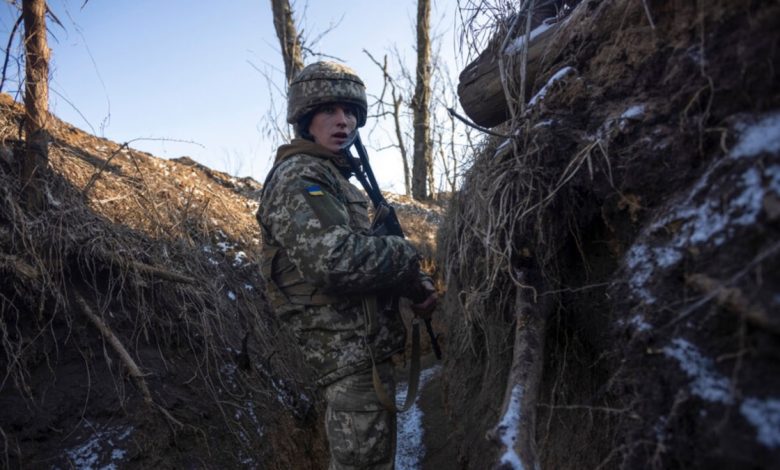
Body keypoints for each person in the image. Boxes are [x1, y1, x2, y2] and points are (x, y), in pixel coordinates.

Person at [257, 61, 437, 469]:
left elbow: (368, 255)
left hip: (364, 354)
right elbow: (335, 261)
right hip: (347, 359)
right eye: (330, 111)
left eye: (351, 112)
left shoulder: (336, 179)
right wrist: (407, 256)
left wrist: (415, 285)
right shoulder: (300, 177)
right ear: (306, 119)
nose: (344, 121)